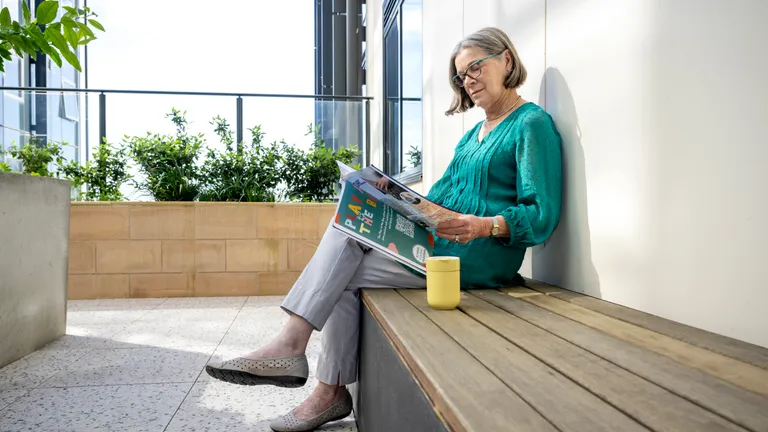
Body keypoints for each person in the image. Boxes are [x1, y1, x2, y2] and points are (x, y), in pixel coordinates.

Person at [205, 26, 562, 432]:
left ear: (507, 61)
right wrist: (391, 194)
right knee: (352, 223)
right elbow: (440, 198)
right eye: (461, 75)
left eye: (475, 67)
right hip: (438, 242)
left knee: (341, 264)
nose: (469, 80)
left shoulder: (531, 124)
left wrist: (485, 225)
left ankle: (309, 369)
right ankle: (322, 384)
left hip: (476, 255)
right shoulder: (472, 138)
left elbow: (542, 214)